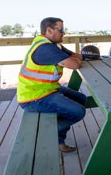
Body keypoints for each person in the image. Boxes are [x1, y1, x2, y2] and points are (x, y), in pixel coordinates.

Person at [17, 17, 87, 152]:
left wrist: (73, 59)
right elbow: (74, 63)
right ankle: (47, 133)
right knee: (78, 111)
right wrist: (73, 60)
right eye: (61, 30)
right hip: (34, 97)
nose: (64, 33)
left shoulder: (54, 45)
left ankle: (58, 138)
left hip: (48, 89)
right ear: (49, 30)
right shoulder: (45, 48)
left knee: (82, 99)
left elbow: (76, 56)